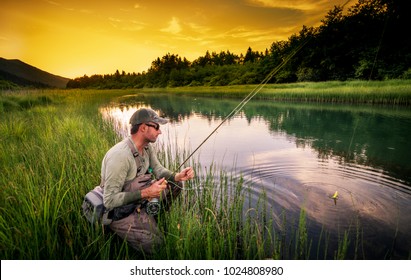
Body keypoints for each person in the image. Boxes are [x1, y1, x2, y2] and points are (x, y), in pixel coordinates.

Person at [100, 107, 195, 255]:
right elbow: (109, 200)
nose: (160, 131)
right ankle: (126, 228)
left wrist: (177, 176)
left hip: (138, 201)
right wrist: (146, 192)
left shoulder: (147, 148)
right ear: (143, 128)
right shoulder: (120, 157)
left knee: (175, 184)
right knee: (159, 246)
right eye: (156, 127)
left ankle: (153, 216)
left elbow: (158, 170)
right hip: (120, 213)